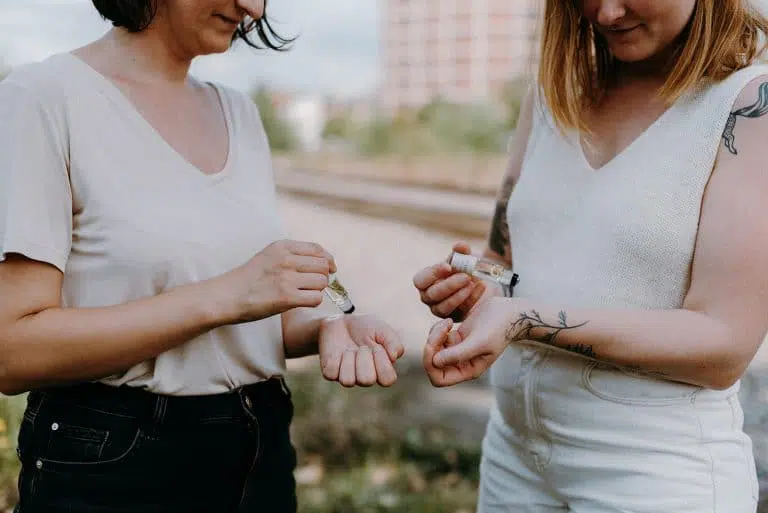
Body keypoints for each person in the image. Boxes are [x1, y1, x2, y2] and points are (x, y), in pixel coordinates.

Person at [0, 1, 405, 512]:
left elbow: (242, 322)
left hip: (260, 449)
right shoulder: (42, 98)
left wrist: (326, 328)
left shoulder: (239, 112)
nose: (252, 8)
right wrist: (227, 294)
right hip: (115, 464)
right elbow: (11, 353)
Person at [414, 1, 768, 511]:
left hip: (658, 476)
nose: (605, 13)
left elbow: (724, 346)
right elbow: (505, 261)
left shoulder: (748, 105)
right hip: (513, 462)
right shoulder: (550, 95)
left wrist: (521, 319)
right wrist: (478, 288)